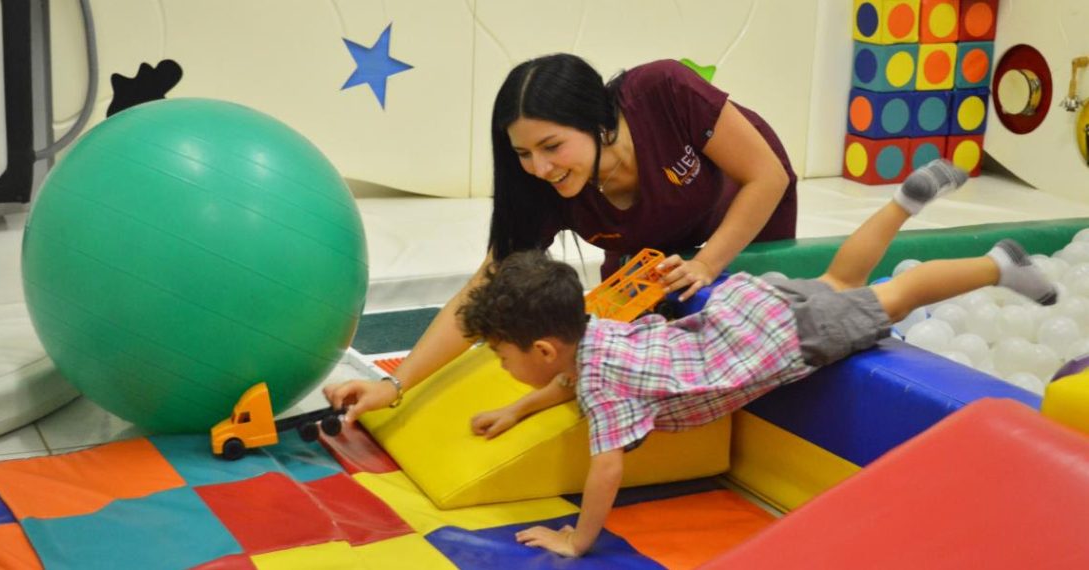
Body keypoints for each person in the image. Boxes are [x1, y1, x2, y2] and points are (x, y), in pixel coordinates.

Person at [453, 160, 1057, 557]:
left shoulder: (603, 389)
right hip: (753, 303)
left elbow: (606, 467)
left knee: (894, 298)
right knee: (842, 277)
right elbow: (565, 381)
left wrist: (577, 540)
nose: (504, 367)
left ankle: (997, 265)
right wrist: (518, 408)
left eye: (504, 358)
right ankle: (904, 201)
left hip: (785, 339)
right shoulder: (596, 334)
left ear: (542, 347)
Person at [325, 53, 797, 421]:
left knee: (751, 321)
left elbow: (765, 177)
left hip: (746, 208)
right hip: (653, 240)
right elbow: (488, 286)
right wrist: (395, 385)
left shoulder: (664, 89)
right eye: (523, 153)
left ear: (599, 122)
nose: (540, 168)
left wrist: (708, 262)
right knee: (628, 344)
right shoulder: (543, 187)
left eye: (552, 147)